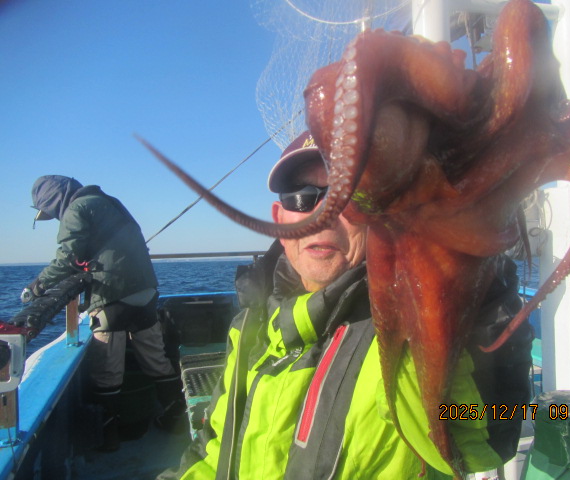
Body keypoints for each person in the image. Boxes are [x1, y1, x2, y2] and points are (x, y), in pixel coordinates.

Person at [159, 132, 533, 479]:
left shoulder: (405, 324)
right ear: (279, 220)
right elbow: (212, 447)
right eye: (302, 196)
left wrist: (475, 284)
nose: (323, 215)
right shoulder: (249, 325)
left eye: (350, 195)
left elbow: (482, 441)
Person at [25, 175, 186, 451]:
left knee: (108, 373)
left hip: (112, 297)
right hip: (146, 292)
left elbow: (68, 257)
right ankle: (175, 418)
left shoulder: (76, 209)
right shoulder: (110, 202)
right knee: (156, 360)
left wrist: (38, 285)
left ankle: (109, 436)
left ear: (53, 201)